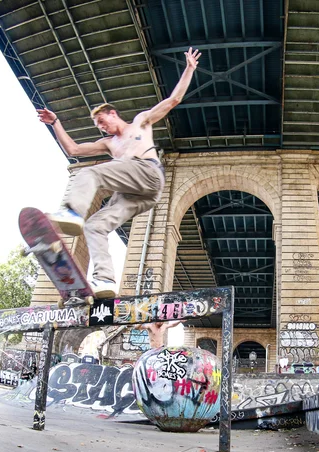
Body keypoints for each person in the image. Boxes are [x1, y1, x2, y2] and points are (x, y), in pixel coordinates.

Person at [38, 48, 201, 298]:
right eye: (98, 126)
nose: (102, 127)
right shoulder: (108, 143)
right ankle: (104, 280)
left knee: (90, 174)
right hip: (138, 195)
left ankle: (71, 212)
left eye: (103, 121)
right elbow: (73, 149)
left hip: (148, 173)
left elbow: (173, 100)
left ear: (113, 113)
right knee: (95, 226)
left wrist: (189, 68)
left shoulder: (140, 122)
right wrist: (55, 123)